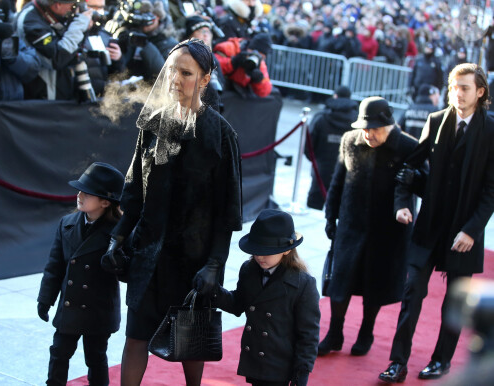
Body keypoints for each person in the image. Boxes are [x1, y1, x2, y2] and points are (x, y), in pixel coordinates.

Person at [100, 38, 242, 386]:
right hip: (148, 252)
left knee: (191, 342)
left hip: (194, 261)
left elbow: (228, 213)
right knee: (135, 336)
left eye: (186, 72)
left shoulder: (222, 136)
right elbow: (134, 191)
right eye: (171, 70)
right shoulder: (154, 123)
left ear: (205, 79)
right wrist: (117, 239)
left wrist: (213, 265)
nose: (175, 79)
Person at [379, 63, 494, 383]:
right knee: (411, 291)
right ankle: (397, 362)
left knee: (454, 302)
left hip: (464, 231)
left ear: (480, 92)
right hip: (428, 228)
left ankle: (441, 360)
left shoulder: (491, 130)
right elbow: (407, 170)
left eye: (465, 88)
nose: (457, 94)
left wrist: (472, 230)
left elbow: (491, 189)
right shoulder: (436, 120)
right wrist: (402, 205)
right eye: (453, 87)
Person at [319, 96, 419, 357]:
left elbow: (420, 187)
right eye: (364, 127)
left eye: (373, 129)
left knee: (374, 284)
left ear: (388, 126)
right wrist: (330, 216)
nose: (368, 134)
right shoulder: (350, 140)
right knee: (340, 283)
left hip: (387, 231)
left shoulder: (408, 147)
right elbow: (337, 181)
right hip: (352, 224)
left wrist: (411, 190)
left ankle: (366, 332)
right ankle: (334, 333)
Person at [37, 162, 125, 386]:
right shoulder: (66, 224)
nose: (79, 195)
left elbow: (128, 272)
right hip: (71, 306)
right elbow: (54, 268)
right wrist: (45, 300)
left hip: (98, 310)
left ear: (105, 202)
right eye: (79, 190)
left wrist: (118, 261)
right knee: (59, 352)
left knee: (95, 357)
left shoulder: (119, 233)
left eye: (87, 193)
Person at [213, 209, 320, 386]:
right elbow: (238, 304)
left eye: (266, 252)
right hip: (255, 359)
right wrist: (213, 291)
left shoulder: (303, 284)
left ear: (286, 251)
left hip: (280, 366)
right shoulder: (249, 270)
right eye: (256, 250)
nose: (260, 256)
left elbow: (308, 335)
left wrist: (302, 372)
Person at [17, 0, 93, 100]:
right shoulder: (30, 20)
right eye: (73, 5)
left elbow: (75, 50)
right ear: (57, 5)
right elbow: (59, 58)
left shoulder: (55, 14)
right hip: (43, 98)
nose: (74, 9)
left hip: (66, 91)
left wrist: (84, 28)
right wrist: (79, 25)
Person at [305, 85, 358, 210]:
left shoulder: (321, 117)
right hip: (346, 169)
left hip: (321, 167)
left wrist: (315, 160)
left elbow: (309, 144)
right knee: (341, 207)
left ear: (335, 96)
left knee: (314, 203)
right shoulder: (357, 119)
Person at [183, 14, 225, 111]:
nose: (206, 34)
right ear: (191, 34)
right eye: (201, 31)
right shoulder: (184, 55)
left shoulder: (212, 57)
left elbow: (221, 82)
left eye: (208, 32)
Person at [213, 32, 272, 98]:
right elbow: (211, 65)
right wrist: (233, 62)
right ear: (249, 47)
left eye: (260, 56)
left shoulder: (259, 63)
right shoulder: (230, 48)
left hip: (237, 93)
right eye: (253, 52)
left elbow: (265, 91)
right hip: (220, 87)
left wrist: (259, 79)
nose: (255, 56)